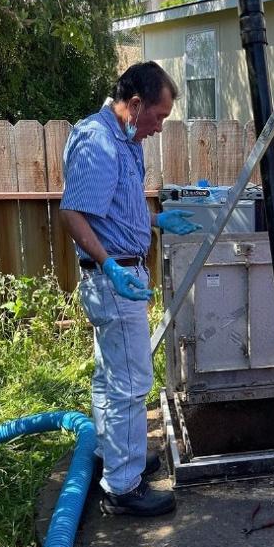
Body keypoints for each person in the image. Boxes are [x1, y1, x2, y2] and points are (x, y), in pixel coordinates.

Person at [60, 61, 201, 516]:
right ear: (135, 104)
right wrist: (109, 266)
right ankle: (124, 489)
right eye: (158, 116)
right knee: (131, 382)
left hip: (120, 273)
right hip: (113, 278)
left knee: (111, 376)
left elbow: (114, 209)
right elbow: (74, 214)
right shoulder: (99, 140)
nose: (160, 127)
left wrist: (156, 220)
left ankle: (114, 455)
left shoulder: (124, 138)